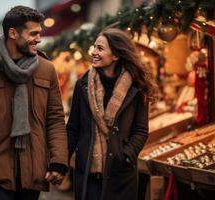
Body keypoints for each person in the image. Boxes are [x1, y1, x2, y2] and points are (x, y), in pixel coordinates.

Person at [0, 5, 68, 200]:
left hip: (32, 171)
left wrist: (58, 161)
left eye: (39, 33)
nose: (39, 38)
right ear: (13, 33)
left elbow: (55, 119)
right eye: (33, 33)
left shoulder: (47, 69)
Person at [67, 28, 157, 200]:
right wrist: (60, 163)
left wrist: (126, 155)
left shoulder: (136, 88)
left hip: (120, 175)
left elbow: (140, 131)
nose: (93, 52)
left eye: (100, 48)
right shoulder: (82, 86)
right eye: (94, 47)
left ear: (116, 55)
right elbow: (73, 129)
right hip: (88, 173)